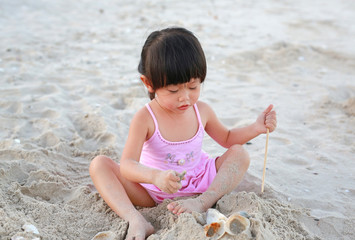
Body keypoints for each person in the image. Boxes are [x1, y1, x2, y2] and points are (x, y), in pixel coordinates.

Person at [89, 27, 277, 240]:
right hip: (154, 191)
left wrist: (256, 128)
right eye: (173, 91)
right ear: (148, 83)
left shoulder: (201, 111)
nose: (185, 98)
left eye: (193, 87)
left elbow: (227, 138)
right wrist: (155, 177)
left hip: (200, 181)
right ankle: (135, 219)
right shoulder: (145, 118)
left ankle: (203, 202)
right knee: (100, 165)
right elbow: (127, 165)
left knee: (240, 154)